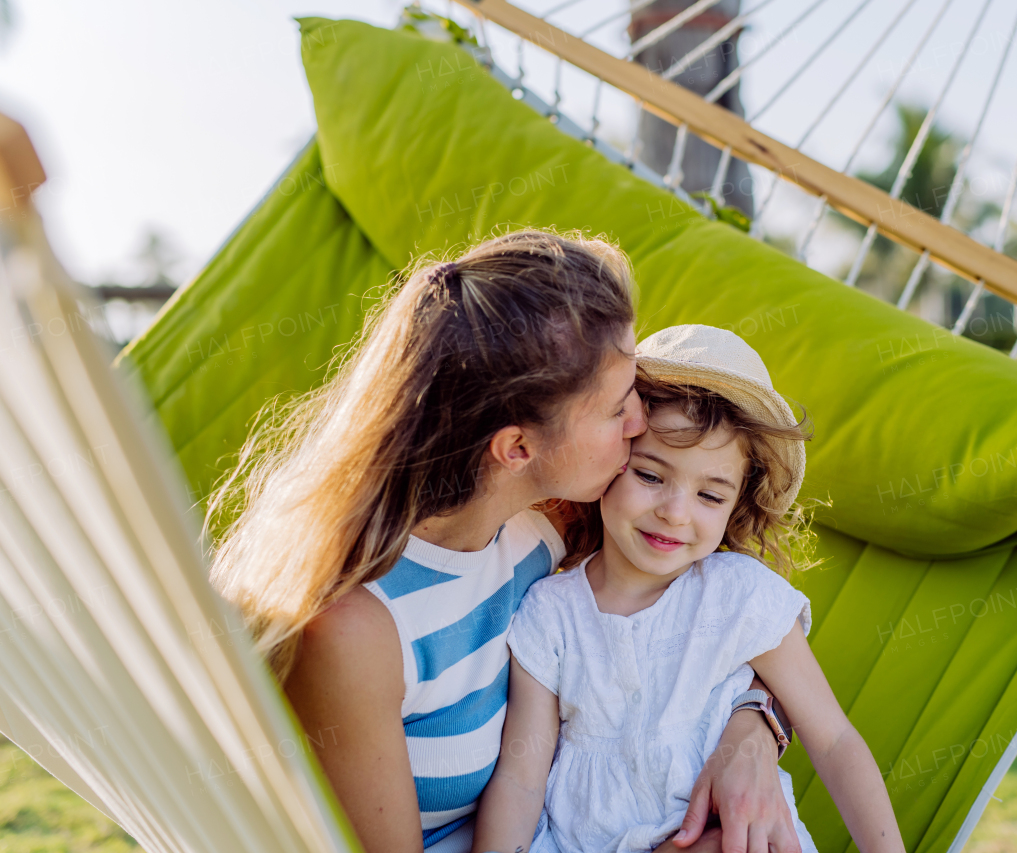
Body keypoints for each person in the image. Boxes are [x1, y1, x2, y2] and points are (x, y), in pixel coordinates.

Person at [206, 232, 803, 853]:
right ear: (517, 448)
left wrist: (753, 730)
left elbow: (721, 623)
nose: (639, 422)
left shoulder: (547, 527)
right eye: (617, 408)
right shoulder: (358, 629)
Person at [472, 325, 906, 853]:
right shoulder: (550, 612)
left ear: (735, 506)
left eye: (709, 495)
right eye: (650, 476)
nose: (674, 513)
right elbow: (521, 777)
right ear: (613, 458)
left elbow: (834, 740)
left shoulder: (740, 596)